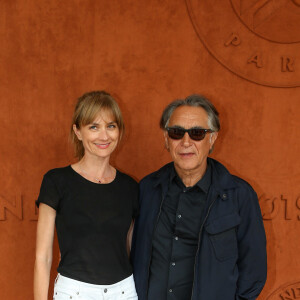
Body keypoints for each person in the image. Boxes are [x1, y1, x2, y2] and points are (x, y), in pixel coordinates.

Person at [131, 94, 267, 300]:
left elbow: (254, 271)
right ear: (166, 139)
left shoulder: (239, 196)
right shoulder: (147, 190)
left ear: (212, 138)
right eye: (177, 133)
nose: (186, 142)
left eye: (197, 133)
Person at [34, 91, 139, 300]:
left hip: (124, 292)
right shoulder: (56, 181)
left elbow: (130, 249)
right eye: (94, 126)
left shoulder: (131, 187)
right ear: (78, 131)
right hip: (74, 292)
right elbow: (43, 257)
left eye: (111, 126)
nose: (104, 136)